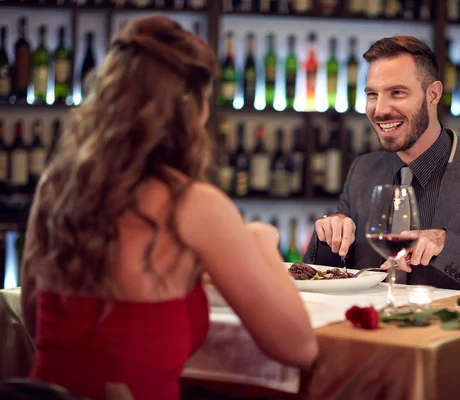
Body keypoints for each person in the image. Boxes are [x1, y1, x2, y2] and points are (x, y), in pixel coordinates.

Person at [20, 16, 317, 400]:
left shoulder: (57, 187)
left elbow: (33, 320)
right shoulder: (194, 204)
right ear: (190, 107)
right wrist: (260, 239)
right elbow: (299, 348)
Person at [303, 36, 460, 294]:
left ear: (433, 94)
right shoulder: (362, 170)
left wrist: (446, 245)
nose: (380, 109)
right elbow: (323, 277)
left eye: (397, 92)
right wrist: (330, 235)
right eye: (372, 94)